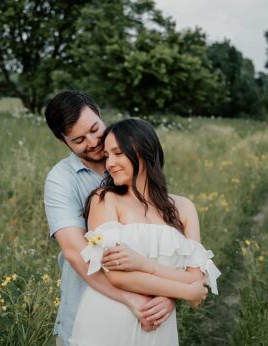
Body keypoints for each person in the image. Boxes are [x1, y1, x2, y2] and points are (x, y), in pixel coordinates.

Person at [67, 118, 220, 345]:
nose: (110, 163)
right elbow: (116, 276)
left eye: (118, 153)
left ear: (144, 151)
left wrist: (149, 271)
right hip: (107, 322)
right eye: (107, 155)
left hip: (159, 326)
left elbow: (195, 277)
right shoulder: (105, 200)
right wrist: (185, 292)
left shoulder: (184, 208)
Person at [43, 91, 177, 346]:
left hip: (151, 318)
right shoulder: (61, 180)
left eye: (95, 129)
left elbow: (167, 238)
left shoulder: (133, 159)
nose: (93, 141)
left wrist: (170, 296)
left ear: (100, 114)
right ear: (63, 141)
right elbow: (75, 252)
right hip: (88, 318)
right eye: (79, 139)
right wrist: (131, 299)